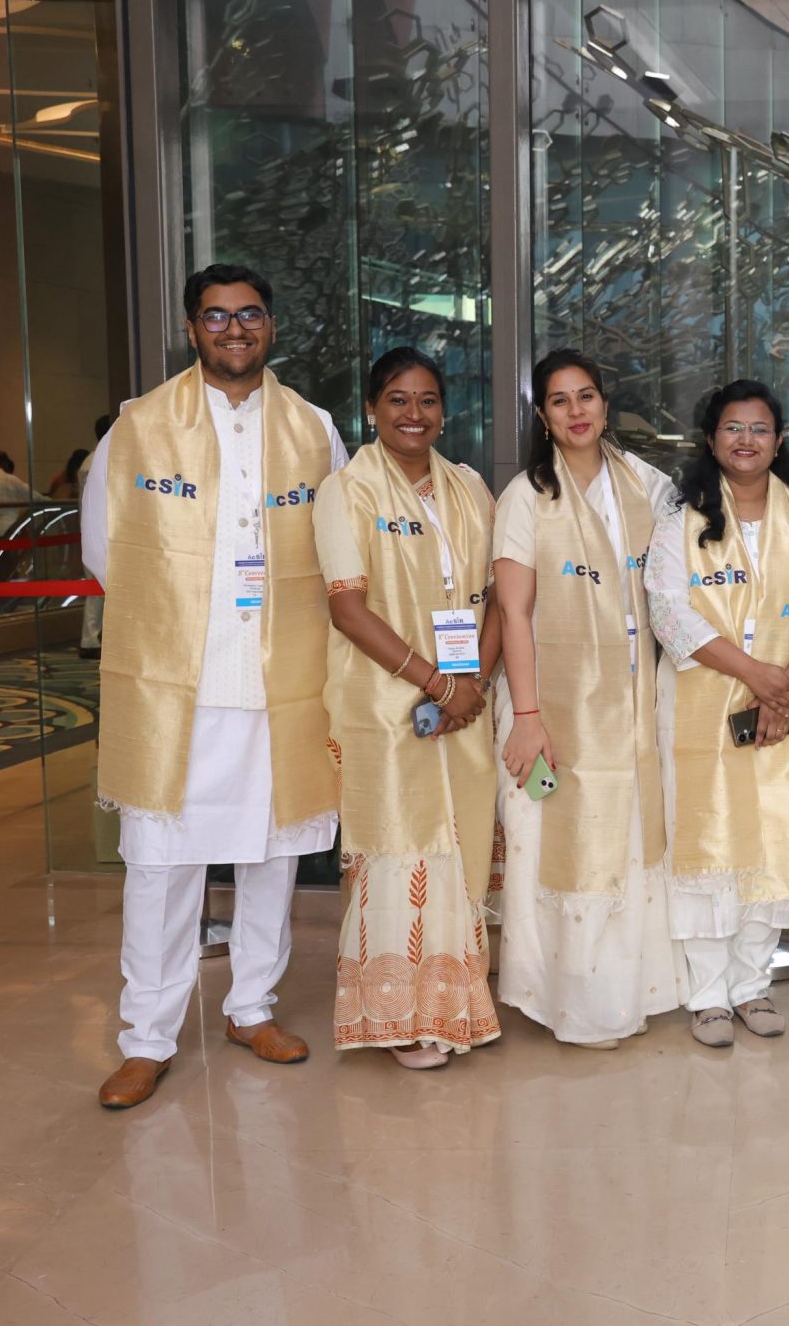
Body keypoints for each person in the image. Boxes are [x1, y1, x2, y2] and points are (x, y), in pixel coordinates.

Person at [82, 262, 347, 1109]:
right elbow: (104, 547)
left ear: (272, 324)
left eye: (250, 314)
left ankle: (251, 1006)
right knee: (163, 865)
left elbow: (339, 548)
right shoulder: (138, 426)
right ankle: (146, 1038)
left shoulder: (314, 429)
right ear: (192, 328)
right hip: (177, 687)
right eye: (217, 316)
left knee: (273, 851)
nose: (235, 329)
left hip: (282, 681)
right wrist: (177, 619)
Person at [491, 349, 682, 1049]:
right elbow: (514, 612)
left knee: (629, 842)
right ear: (543, 416)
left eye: (587, 396)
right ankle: (570, 999)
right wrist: (528, 716)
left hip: (635, 704)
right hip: (553, 706)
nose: (576, 411)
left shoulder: (649, 484)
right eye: (560, 400)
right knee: (562, 844)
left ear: (605, 405)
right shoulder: (525, 497)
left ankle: (630, 991)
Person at [315, 347, 500, 1068]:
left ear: (444, 412)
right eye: (397, 399)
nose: (413, 414)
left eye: (427, 400)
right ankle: (399, 1014)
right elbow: (348, 610)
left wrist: (470, 681)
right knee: (400, 846)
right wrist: (437, 683)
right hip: (384, 703)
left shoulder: (470, 487)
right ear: (371, 409)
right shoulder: (346, 490)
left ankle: (454, 1005)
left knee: (456, 846)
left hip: (462, 700)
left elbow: (497, 594)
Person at [643, 379, 789, 1048]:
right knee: (707, 842)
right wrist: (758, 676)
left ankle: (753, 985)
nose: (746, 439)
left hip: (787, 705)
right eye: (733, 427)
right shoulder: (680, 522)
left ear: (779, 442)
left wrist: (785, 689)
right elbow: (670, 613)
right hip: (702, 705)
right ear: (711, 439)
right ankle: (708, 996)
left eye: (759, 428)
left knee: (770, 839)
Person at [80, 417, 114, 658]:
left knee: (96, 590)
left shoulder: (89, 460)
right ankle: (90, 640)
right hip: (102, 531)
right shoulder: (103, 457)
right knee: (96, 591)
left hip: (92, 529)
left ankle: (93, 638)